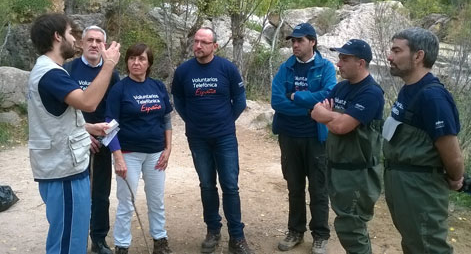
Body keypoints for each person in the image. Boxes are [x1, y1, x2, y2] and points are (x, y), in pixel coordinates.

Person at [27, 13, 120, 254]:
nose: (74, 40)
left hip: (63, 168)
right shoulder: (52, 73)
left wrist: (88, 127)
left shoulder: (50, 71)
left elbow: (55, 119)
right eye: (70, 34)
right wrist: (108, 63)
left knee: (68, 238)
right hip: (64, 172)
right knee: (68, 243)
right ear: (58, 37)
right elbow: (88, 102)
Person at [382, 27, 464, 254]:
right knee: (413, 243)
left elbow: (452, 153)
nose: (389, 56)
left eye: (397, 51)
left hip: (420, 190)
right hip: (403, 185)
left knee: (428, 247)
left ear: (418, 56)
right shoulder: (409, 90)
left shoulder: (433, 97)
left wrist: (456, 179)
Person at [171, 27, 252, 254]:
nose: (198, 46)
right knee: (207, 185)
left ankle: (237, 237)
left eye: (204, 42)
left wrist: (226, 120)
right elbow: (178, 99)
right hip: (197, 138)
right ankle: (213, 230)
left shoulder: (227, 68)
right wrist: (193, 120)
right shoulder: (184, 71)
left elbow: (239, 100)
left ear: (214, 46)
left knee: (230, 185)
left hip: (225, 137)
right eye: (196, 42)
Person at [310, 39, 384, 254]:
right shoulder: (341, 87)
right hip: (337, 166)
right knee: (348, 221)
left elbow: (340, 126)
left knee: (351, 225)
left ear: (360, 63)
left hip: (357, 173)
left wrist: (329, 117)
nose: (338, 64)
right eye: (339, 58)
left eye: (344, 59)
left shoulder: (371, 93)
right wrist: (334, 117)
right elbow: (316, 110)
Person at [271, 23, 336, 254]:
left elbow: (329, 96)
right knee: (294, 187)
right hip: (289, 137)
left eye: (300, 40)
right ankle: (295, 231)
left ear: (312, 42)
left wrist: (296, 96)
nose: (295, 45)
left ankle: (320, 235)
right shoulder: (285, 68)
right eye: (293, 41)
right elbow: (277, 101)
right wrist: (311, 108)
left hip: (316, 138)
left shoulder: (326, 68)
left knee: (319, 188)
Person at [106, 43, 173, 254]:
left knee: (156, 200)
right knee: (126, 202)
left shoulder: (158, 86)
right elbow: (109, 124)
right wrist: (117, 157)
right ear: (126, 61)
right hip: (128, 154)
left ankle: (160, 241)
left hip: (156, 153)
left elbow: (166, 118)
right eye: (132, 58)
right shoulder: (119, 89)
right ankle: (122, 245)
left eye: (141, 59)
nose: (136, 62)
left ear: (149, 63)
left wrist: (168, 149)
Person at [63, 25, 120, 254]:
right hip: (73, 143)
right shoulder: (68, 70)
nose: (94, 44)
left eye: (99, 41)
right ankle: (75, 241)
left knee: (101, 195)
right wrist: (84, 133)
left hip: (102, 144)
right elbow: (63, 110)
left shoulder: (112, 74)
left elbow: (114, 109)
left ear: (104, 46)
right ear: (81, 43)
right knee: (76, 195)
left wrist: (105, 135)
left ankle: (98, 239)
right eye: (90, 40)